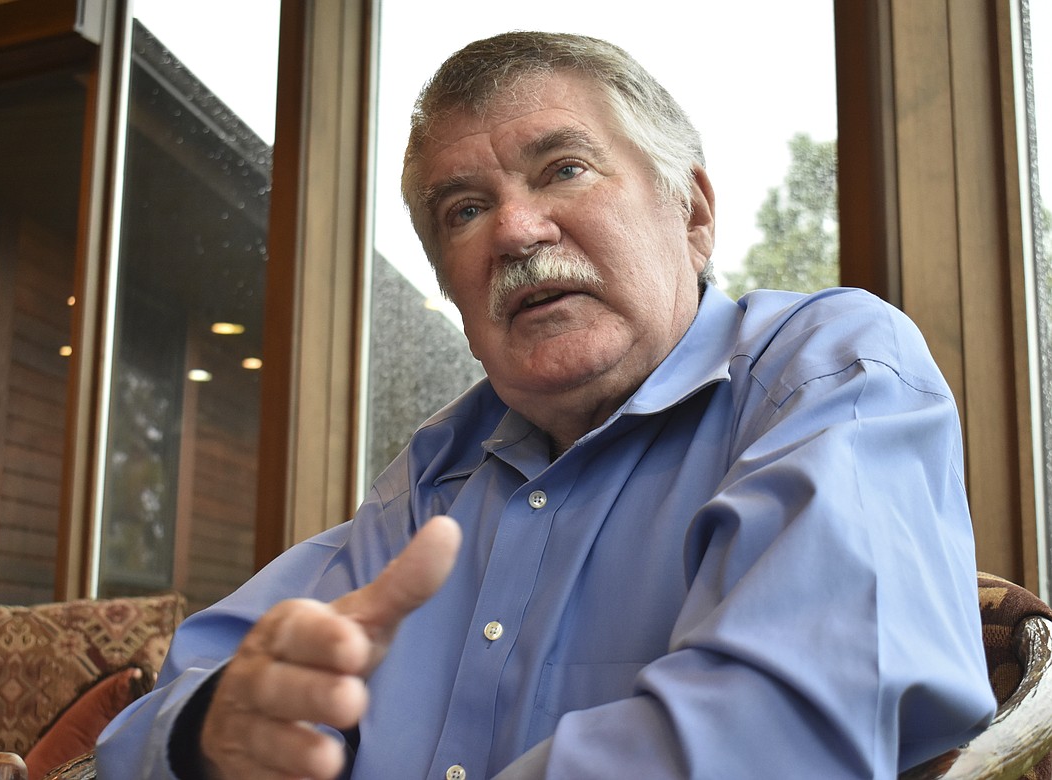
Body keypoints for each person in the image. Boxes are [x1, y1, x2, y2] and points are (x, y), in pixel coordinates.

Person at [97, 31, 995, 779]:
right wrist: (215, 730)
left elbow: (786, 729)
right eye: (463, 210)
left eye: (563, 169)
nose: (516, 231)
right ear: (452, 291)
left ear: (692, 212)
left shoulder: (823, 372)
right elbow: (165, 716)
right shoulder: (435, 475)